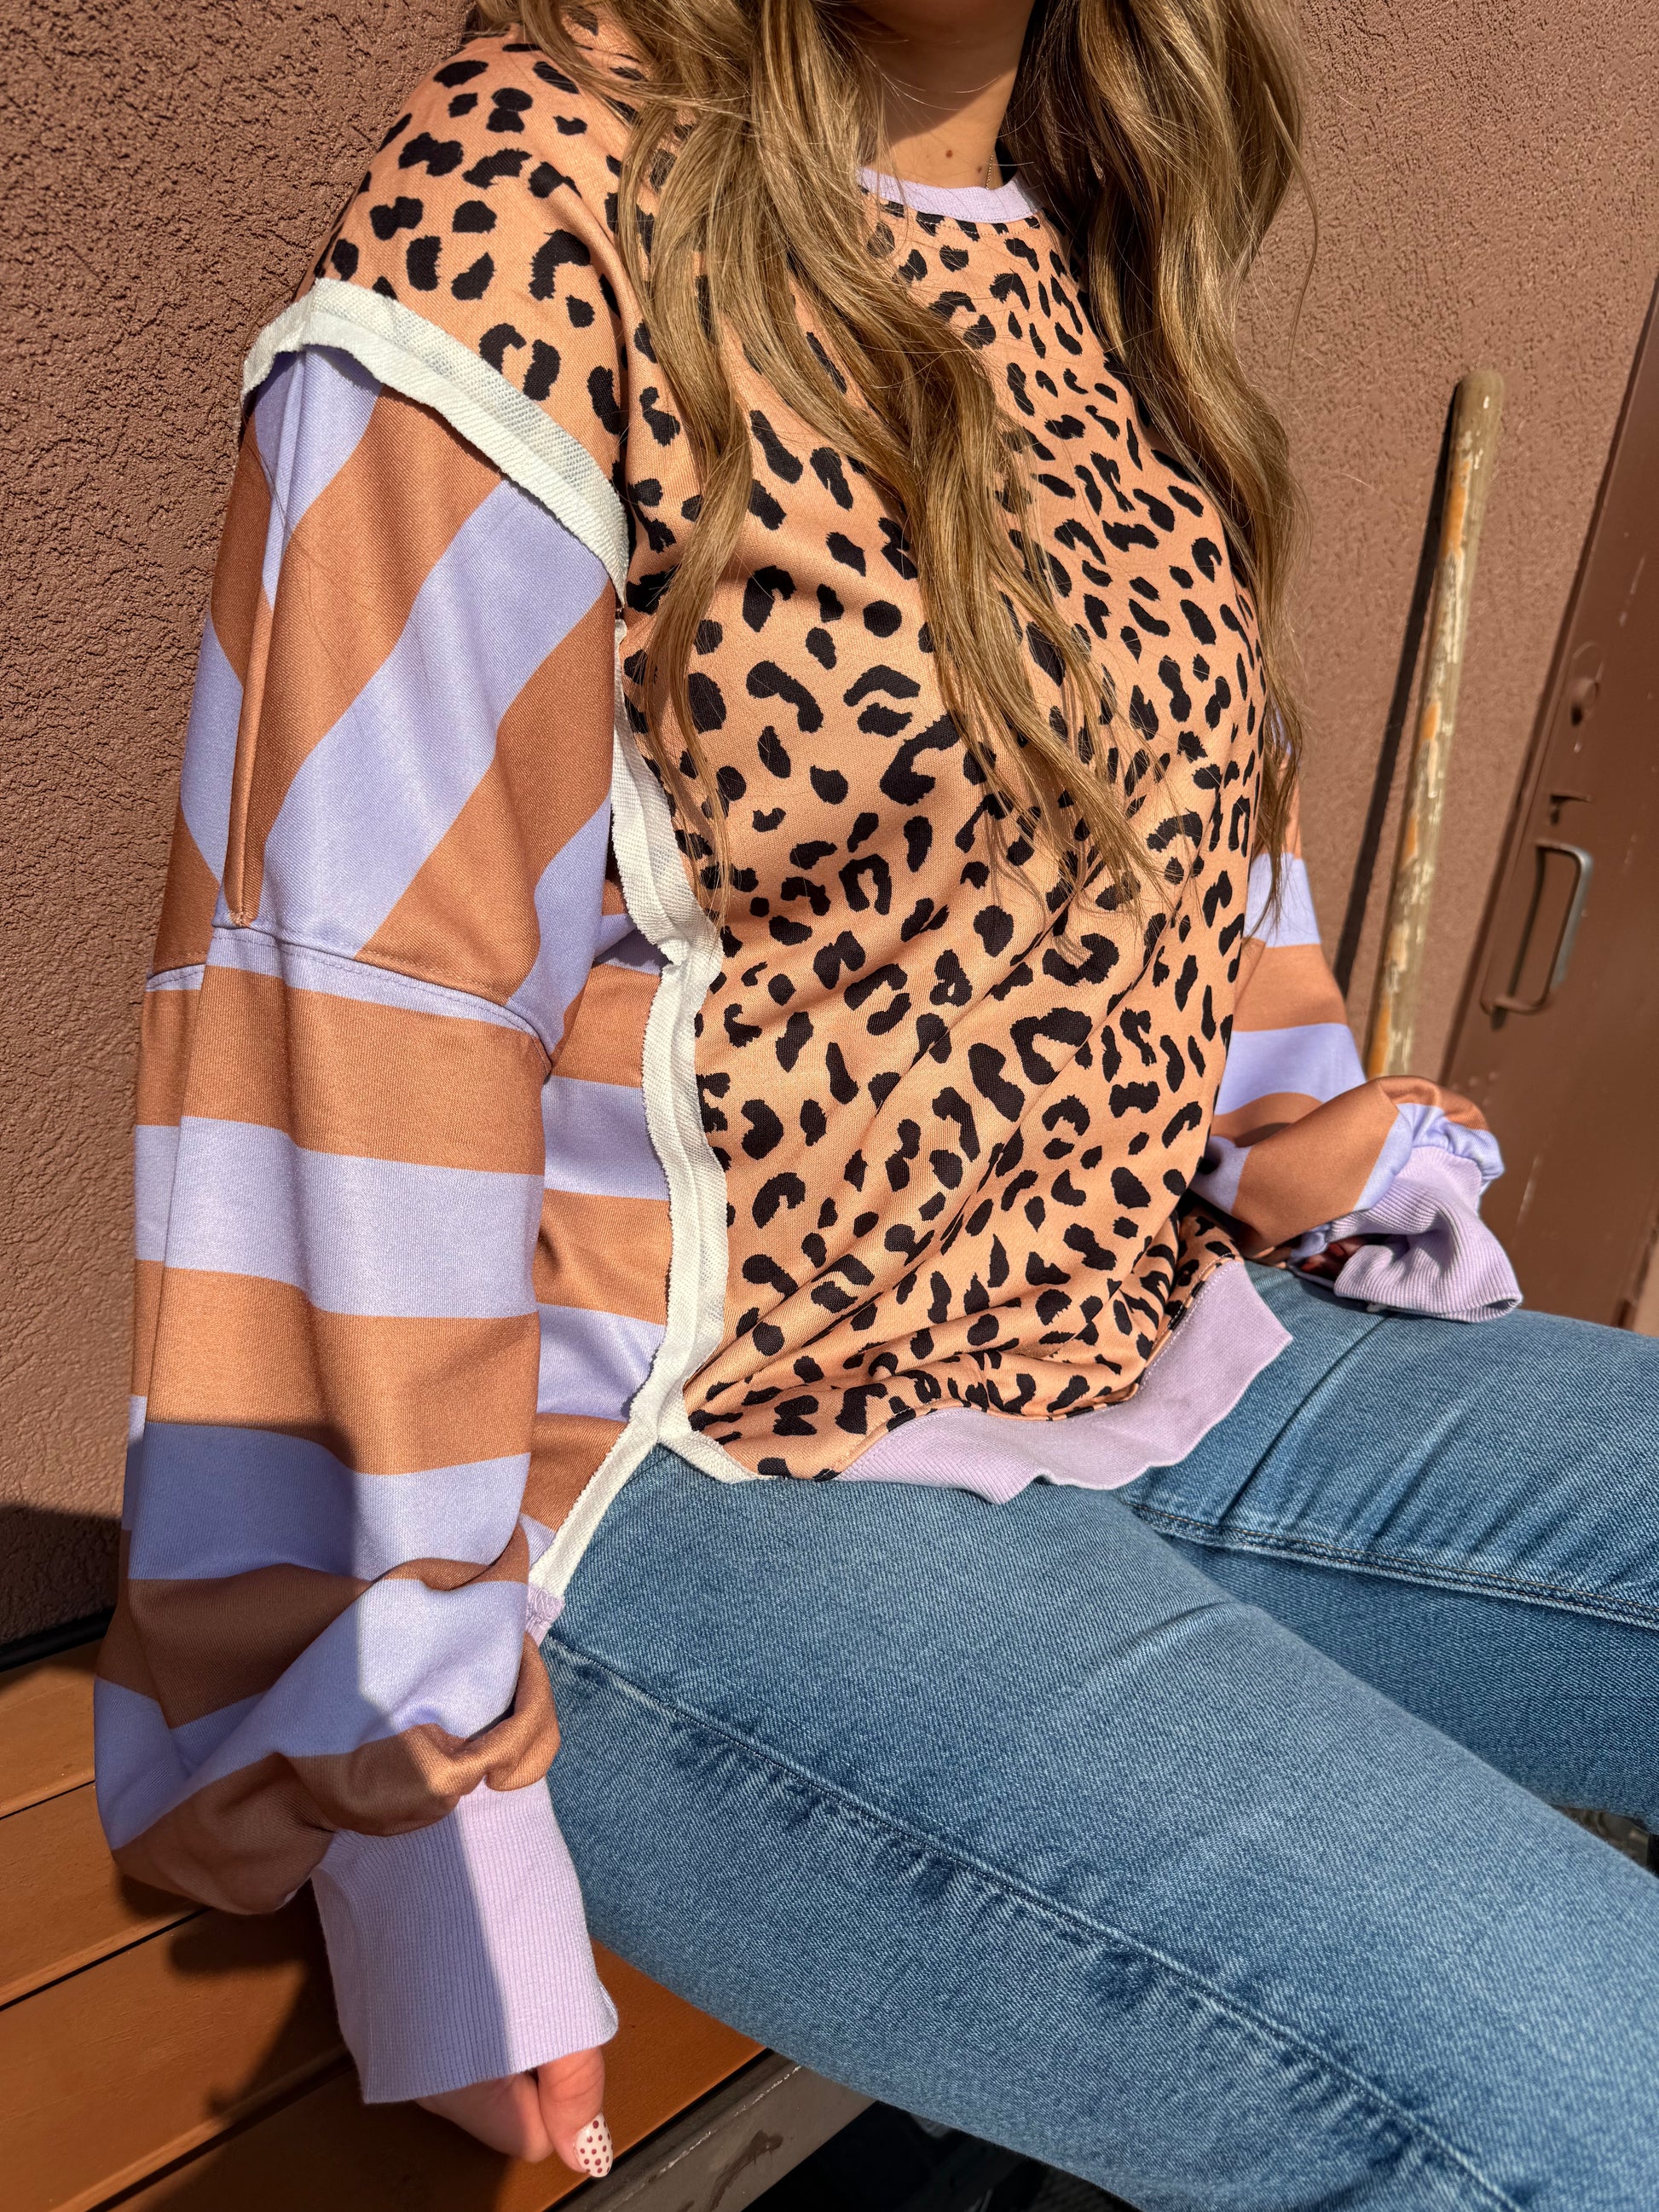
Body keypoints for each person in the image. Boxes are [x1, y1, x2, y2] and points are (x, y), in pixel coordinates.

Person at [96, 2, 1659, 2203]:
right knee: (1604, 2094)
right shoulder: (537, 210)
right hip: (681, 1471)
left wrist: (1305, 1133)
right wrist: (415, 1810)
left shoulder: (1084, 224)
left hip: (1137, 1340)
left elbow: (1187, 823)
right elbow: (343, 1022)